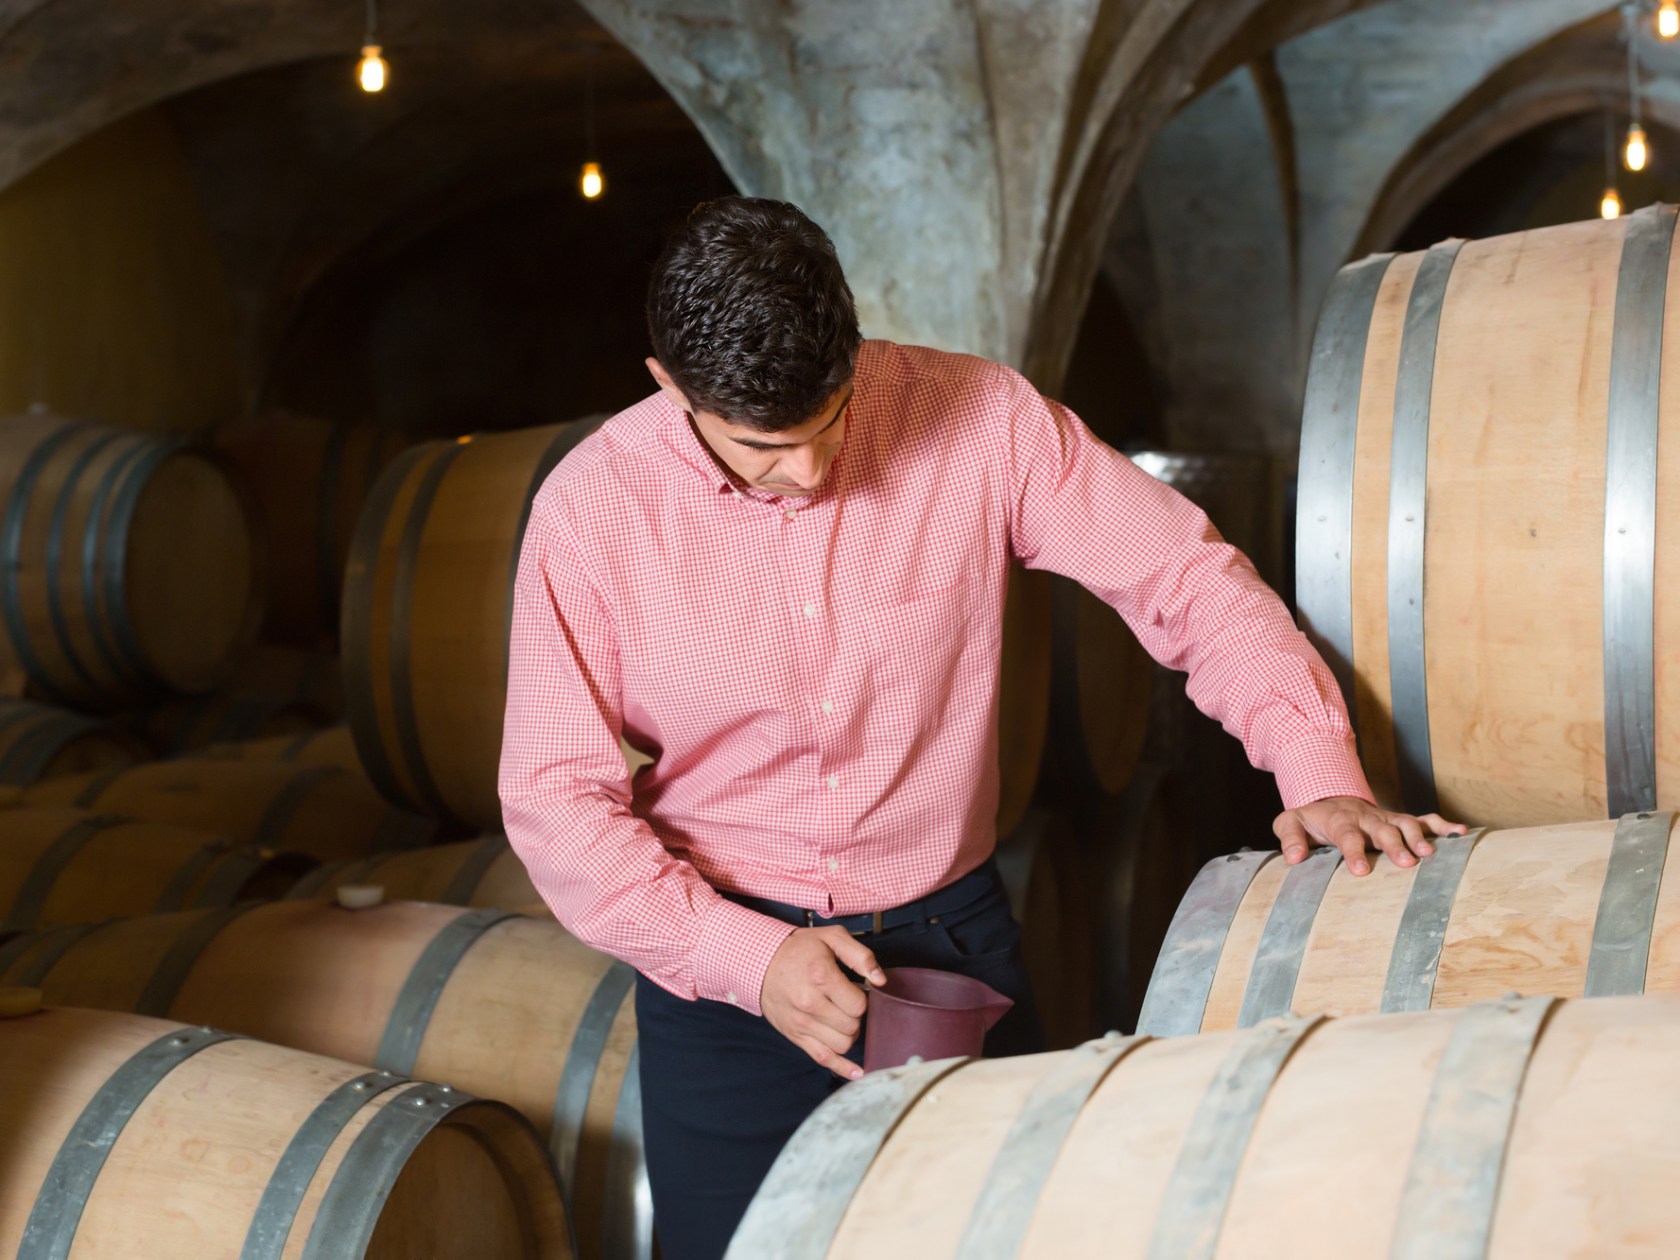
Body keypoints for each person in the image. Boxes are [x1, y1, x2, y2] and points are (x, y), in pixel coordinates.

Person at [498, 195, 1462, 1260]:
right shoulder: (591, 511)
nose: (813, 474)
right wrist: (745, 954)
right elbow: (554, 797)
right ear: (670, 386)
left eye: (830, 421)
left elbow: (1186, 582)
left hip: (950, 941)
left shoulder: (983, 418)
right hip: (728, 988)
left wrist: (1313, 763)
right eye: (761, 451)